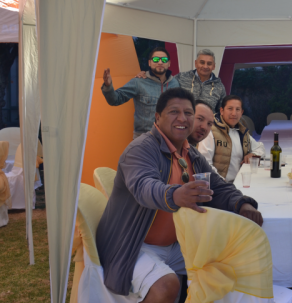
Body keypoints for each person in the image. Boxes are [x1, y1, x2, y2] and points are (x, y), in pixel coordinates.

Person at [96, 87, 262, 302]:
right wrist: (174, 195)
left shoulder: (191, 153)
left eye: (188, 113)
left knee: (228, 264)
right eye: (174, 111)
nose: (183, 118)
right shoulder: (141, 149)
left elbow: (218, 187)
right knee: (166, 286)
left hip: (175, 245)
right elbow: (144, 187)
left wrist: (242, 203)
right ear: (158, 117)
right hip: (131, 244)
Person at [102, 46, 179, 139]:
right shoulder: (138, 82)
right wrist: (108, 85)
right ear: (149, 63)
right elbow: (115, 100)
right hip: (144, 138)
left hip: (169, 138)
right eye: (155, 59)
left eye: (164, 59)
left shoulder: (175, 83)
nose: (160, 62)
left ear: (169, 63)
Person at [198, 95, 265, 182]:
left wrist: (253, 154)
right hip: (220, 185)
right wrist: (222, 182)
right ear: (222, 111)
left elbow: (260, 147)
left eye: (237, 109)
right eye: (230, 109)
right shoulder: (211, 131)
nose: (234, 113)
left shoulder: (241, 132)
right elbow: (205, 164)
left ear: (242, 112)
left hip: (240, 182)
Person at [136, 48, 227, 113]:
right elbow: (162, 82)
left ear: (214, 66)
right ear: (196, 63)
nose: (205, 66)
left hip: (205, 130)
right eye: (202, 62)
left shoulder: (219, 87)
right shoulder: (181, 77)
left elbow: (221, 112)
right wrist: (147, 75)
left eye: (209, 64)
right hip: (182, 126)